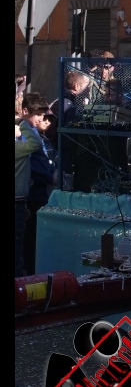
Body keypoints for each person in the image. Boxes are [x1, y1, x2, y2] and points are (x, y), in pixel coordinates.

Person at [16, 93, 51, 276]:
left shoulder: (32, 132)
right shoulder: (23, 135)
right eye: (37, 114)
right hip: (27, 194)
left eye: (42, 115)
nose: (40, 119)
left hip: (28, 195)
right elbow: (33, 149)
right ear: (25, 111)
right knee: (24, 241)